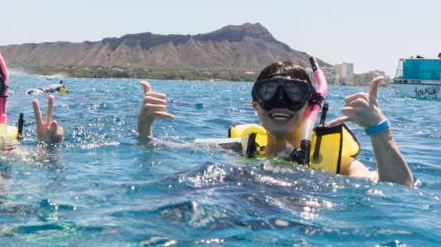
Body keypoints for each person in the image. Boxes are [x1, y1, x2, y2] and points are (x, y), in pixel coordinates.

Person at [136, 61, 414, 186]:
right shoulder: (241, 147)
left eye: (294, 94)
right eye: (269, 93)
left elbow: (399, 187)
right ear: (256, 106)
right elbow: (161, 148)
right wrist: (144, 128)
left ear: (310, 107)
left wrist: (379, 130)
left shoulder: (336, 161)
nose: (280, 104)